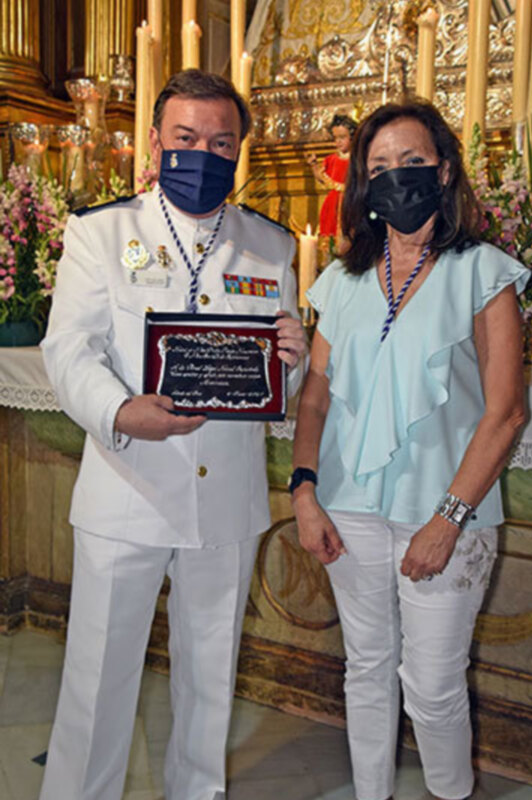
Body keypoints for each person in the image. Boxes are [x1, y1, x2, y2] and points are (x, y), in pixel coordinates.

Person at [40, 69, 306, 800]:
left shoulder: (269, 246)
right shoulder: (103, 233)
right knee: (97, 684)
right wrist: (120, 412)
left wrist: (294, 360)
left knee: (210, 683)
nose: (203, 154)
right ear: (156, 142)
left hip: (224, 500)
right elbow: (69, 350)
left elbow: (274, 384)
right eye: (186, 137)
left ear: (239, 149)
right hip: (126, 490)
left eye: (221, 142)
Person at [290, 100, 529, 800]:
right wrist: (303, 491)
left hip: (443, 512)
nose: (397, 176)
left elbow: (506, 412)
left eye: (412, 161)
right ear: (363, 184)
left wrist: (447, 519)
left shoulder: (483, 272)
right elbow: (315, 398)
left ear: (444, 169)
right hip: (347, 506)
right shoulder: (343, 281)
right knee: (365, 668)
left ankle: (449, 793)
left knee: (432, 684)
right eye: (380, 166)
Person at [306, 113, 357, 250]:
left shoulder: (357, 160)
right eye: (335, 138)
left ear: (352, 137)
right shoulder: (331, 160)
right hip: (332, 204)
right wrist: (314, 165)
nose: (338, 142)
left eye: (342, 137)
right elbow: (322, 178)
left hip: (351, 202)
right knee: (330, 240)